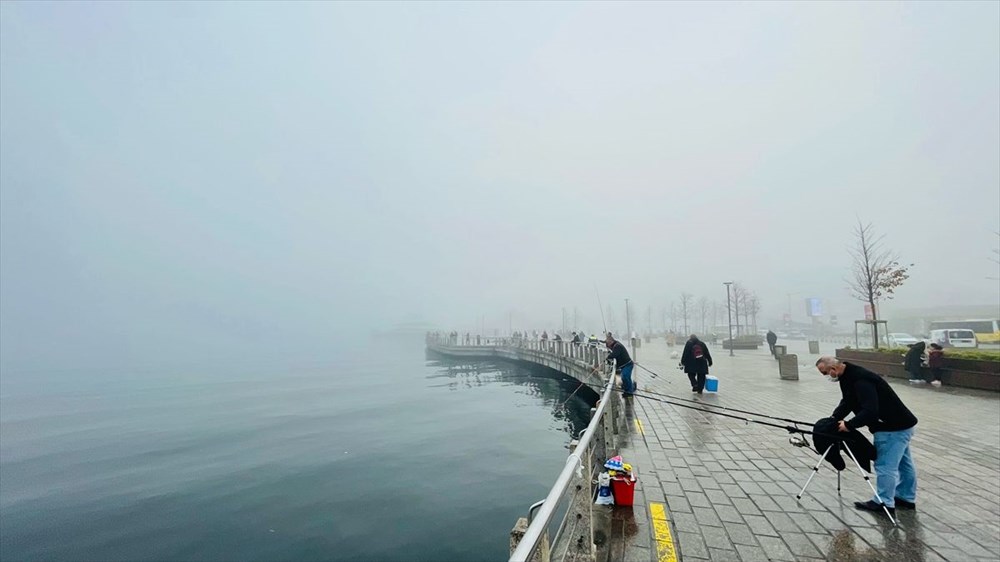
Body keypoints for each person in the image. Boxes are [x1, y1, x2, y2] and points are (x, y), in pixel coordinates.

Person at [815, 357, 918, 516]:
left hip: (891, 428)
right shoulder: (848, 375)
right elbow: (848, 401)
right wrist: (834, 418)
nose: (826, 376)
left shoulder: (861, 380)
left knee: (884, 466)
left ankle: (884, 503)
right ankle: (905, 497)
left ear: (833, 369)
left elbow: (871, 411)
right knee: (905, 464)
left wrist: (849, 425)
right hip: (902, 424)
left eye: (824, 373)